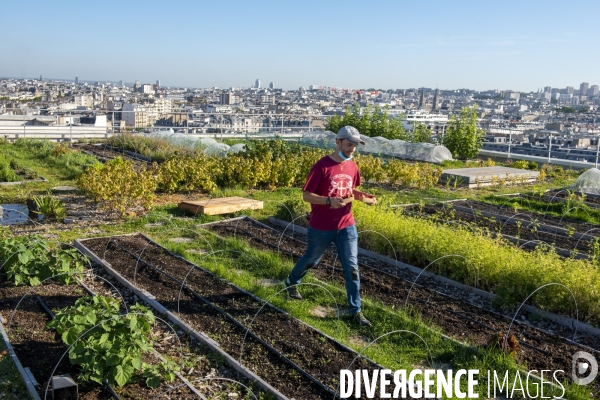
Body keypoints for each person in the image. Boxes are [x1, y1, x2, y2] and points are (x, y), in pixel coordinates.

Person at [283, 126, 376, 327]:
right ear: (338, 142)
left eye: (355, 146)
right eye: (349, 144)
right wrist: (327, 201)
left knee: (352, 268)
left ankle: (355, 311)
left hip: (346, 225)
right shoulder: (322, 166)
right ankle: (291, 283)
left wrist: (364, 197)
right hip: (321, 226)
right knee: (311, 260)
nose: (352, 149)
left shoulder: (353, 166)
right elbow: (306, 195)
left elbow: (352, 190)